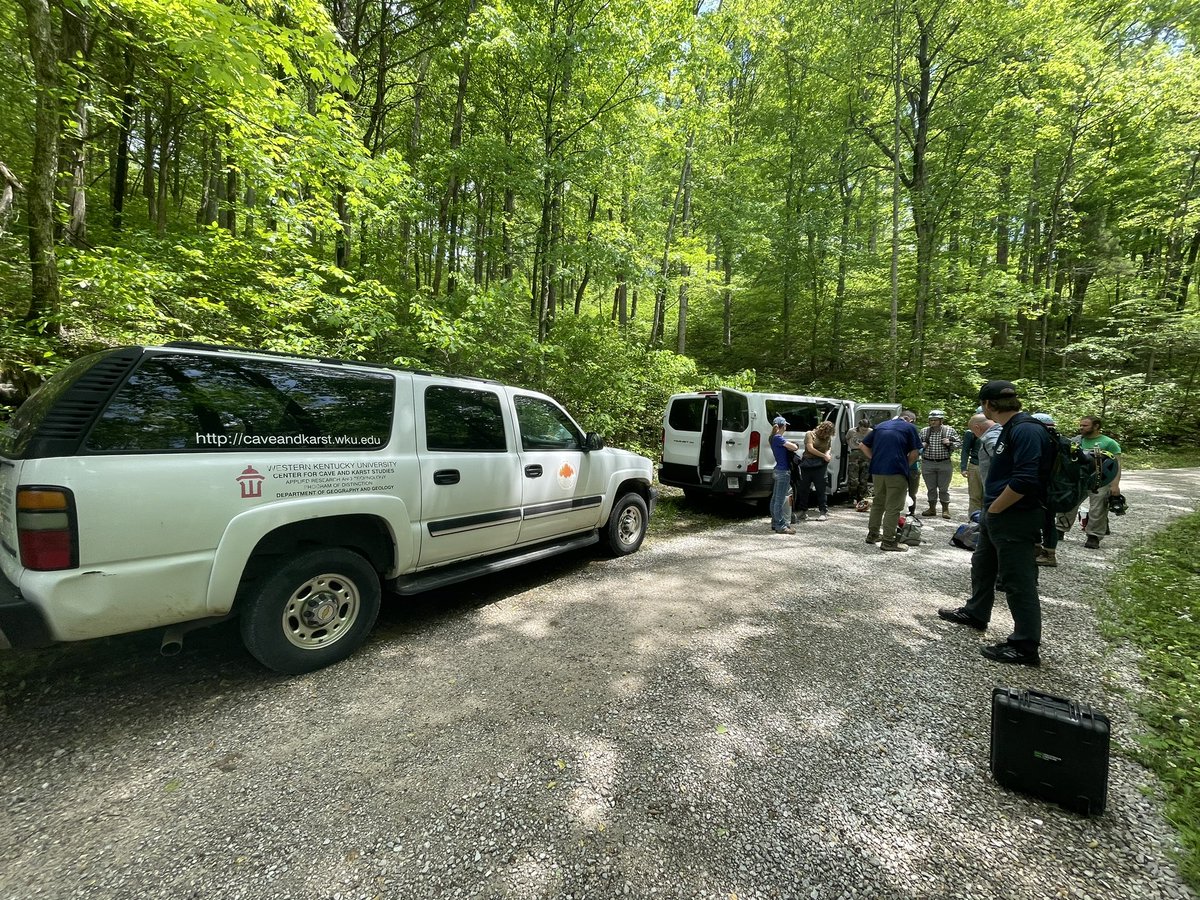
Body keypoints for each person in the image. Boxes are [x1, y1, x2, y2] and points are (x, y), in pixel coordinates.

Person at [938, 380, 1054, 666]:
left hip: (1014, 515)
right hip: (998, 513)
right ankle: (976, 612)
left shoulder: (1026, 429)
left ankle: (1025, 645)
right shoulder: (1009, 428)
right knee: (983, 563)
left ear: (988, 405)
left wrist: (996, 509)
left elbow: (1026, 480)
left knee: (1017, 580)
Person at [1055, 415, 1122, 550]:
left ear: (1096, 426)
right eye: (1081, 425)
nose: (1081, 428)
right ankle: (1059, 529)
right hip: (1078, 480)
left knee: (1098, 508)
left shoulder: (1109, 443)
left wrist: (1115, 485)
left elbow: (1117, 464)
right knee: (1068, 503)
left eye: (1085, 425)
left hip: (1100, 481)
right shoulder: (1076, 441)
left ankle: (1094, 536)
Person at [860, 410, 922, 551]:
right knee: (893, 507)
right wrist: (905, 466)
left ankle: (873, 535)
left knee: (878, 503)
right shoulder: (910, 428)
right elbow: (914, 452)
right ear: (910, 420)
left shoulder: (881, 425)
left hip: (877, 471)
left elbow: (862, 446)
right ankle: (888, 541)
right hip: (896, 471)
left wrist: (875, 459)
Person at [1031, 413, 1061, 567]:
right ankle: (1044, 551)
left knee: (1042, 519)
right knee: (1048, 520)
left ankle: (1045, 553)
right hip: (1055, 488)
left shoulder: (1044, 441)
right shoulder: (1059, 440)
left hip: (1043, 486)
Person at [920, 410, 960, 519]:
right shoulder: (924, 431)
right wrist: (921, 445)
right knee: (931, 488)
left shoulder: (949, 430)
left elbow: (959, 444)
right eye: (931, 420)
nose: (933, 422)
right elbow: (916, 445)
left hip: (944, 463)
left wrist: (950, 443)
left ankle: (945, 510)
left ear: (941, 420)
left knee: (944, 488)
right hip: (928, 462)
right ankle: (932, 508)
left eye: (935, 420)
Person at [795, 420, 835, 522]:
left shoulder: (828, 437)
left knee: (821, 488)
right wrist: (824, 455)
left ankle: (823, 511)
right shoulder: (810, 434)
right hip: (808, 464)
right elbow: (810, 448)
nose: (827, 436)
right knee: (803, 488)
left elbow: (829, 447)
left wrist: (828, 453)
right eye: (826, 433)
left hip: (821, 465)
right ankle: (802, 511)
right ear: (822, 430)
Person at [768, 416, 799, 534]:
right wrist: (792, 444)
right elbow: (794, 447)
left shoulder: (772, 438)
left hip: (777, 471)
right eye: (785, 425)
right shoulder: (778, 438)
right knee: (779, 500)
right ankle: (781, 525)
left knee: (775, 498)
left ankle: (775, 523)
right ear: (783, 426)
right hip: (783, 472)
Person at [959, 411, 983, 518]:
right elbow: (965, 450)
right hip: (975, 465)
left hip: (992, 466)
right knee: (975, 495)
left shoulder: (998, 430)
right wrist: (963, 467)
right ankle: (974, 521)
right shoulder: (971, 432)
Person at [844, 417, 873, 503]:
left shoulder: (871, 432)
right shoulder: (852, 431)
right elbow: (846, 438)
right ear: (859, 426)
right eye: (862, 429)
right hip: (854, 454)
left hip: (866, 454)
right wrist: (851, 445)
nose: (864, 431)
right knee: (853, 479)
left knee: (864, 479)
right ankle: (852, 497)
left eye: (865, 430)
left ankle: (861, 497)